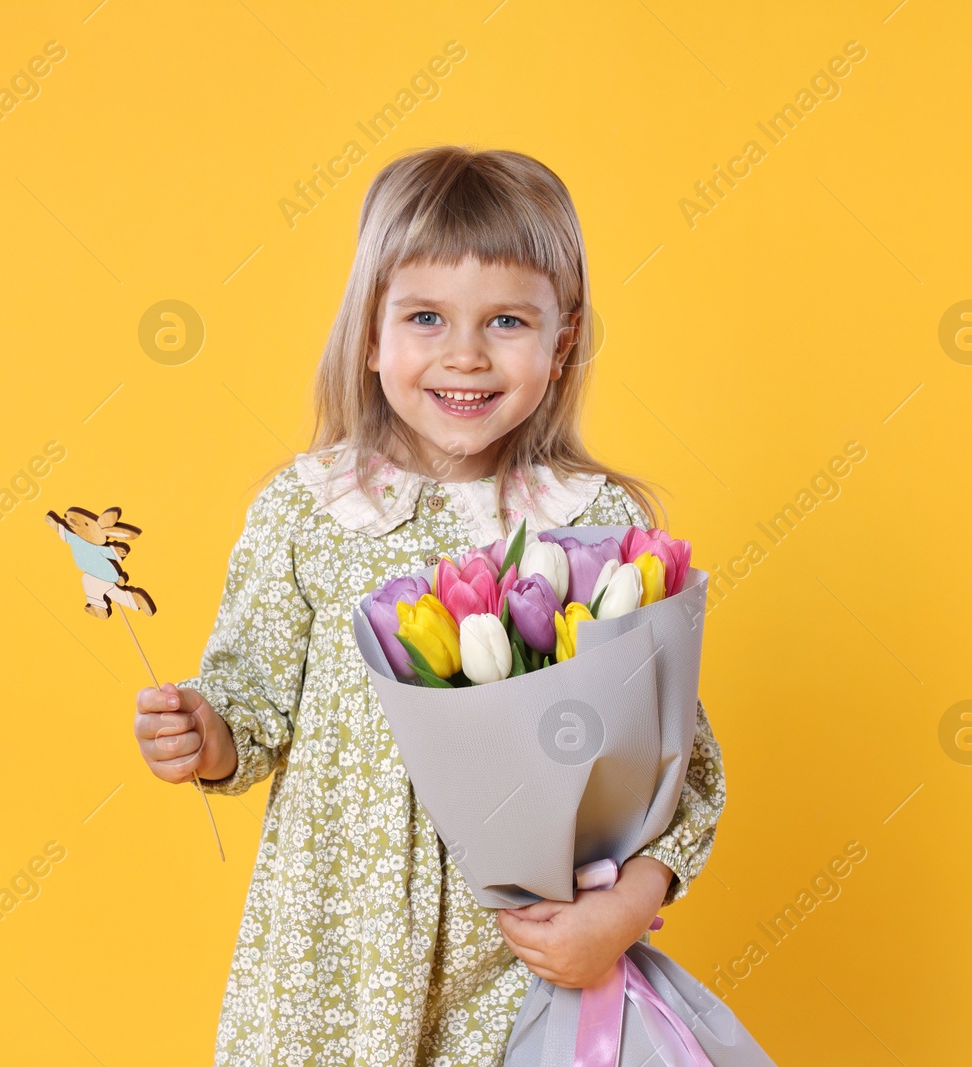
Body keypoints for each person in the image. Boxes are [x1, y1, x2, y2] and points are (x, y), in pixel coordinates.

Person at [132, 145, 727, 1066]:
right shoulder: (308, 509)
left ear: (562, 340)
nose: (465, 354)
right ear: (369, 335)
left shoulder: (597, 524)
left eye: (505, 321)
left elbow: (672, 771)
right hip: (331, 961)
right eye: (424, 317)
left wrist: (620, 910)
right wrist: (205, 728)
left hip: (520, 956)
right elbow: (249, 700)